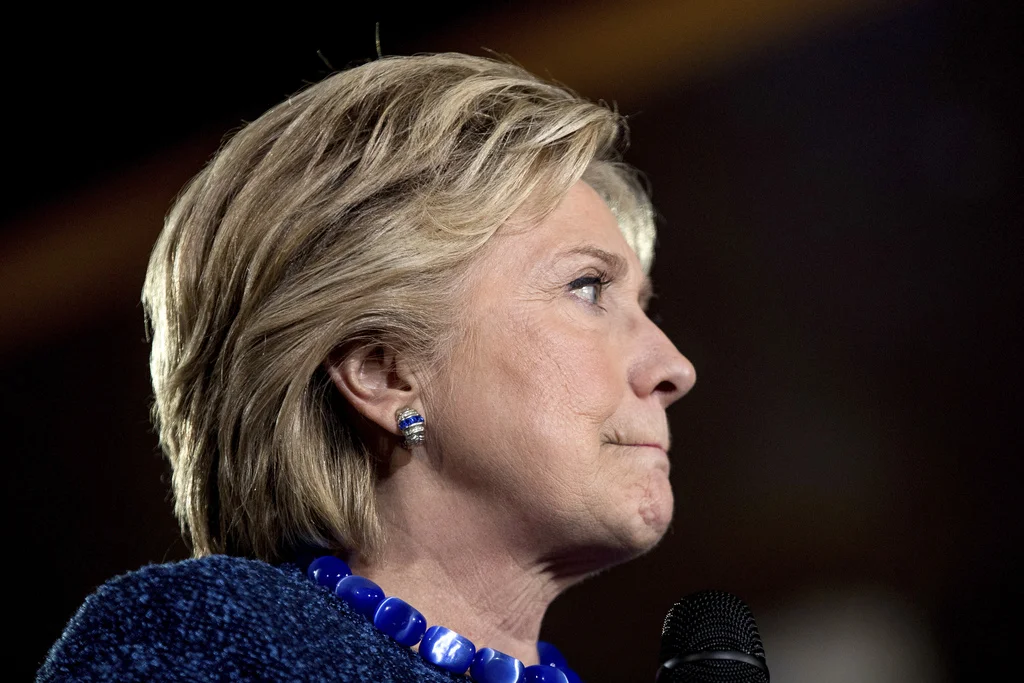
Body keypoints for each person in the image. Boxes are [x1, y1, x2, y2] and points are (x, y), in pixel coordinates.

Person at [38, 52, 695, 682]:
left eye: (641, 304)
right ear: (383, 373)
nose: (674, 367)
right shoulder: (213, 637)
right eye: (586, 288)